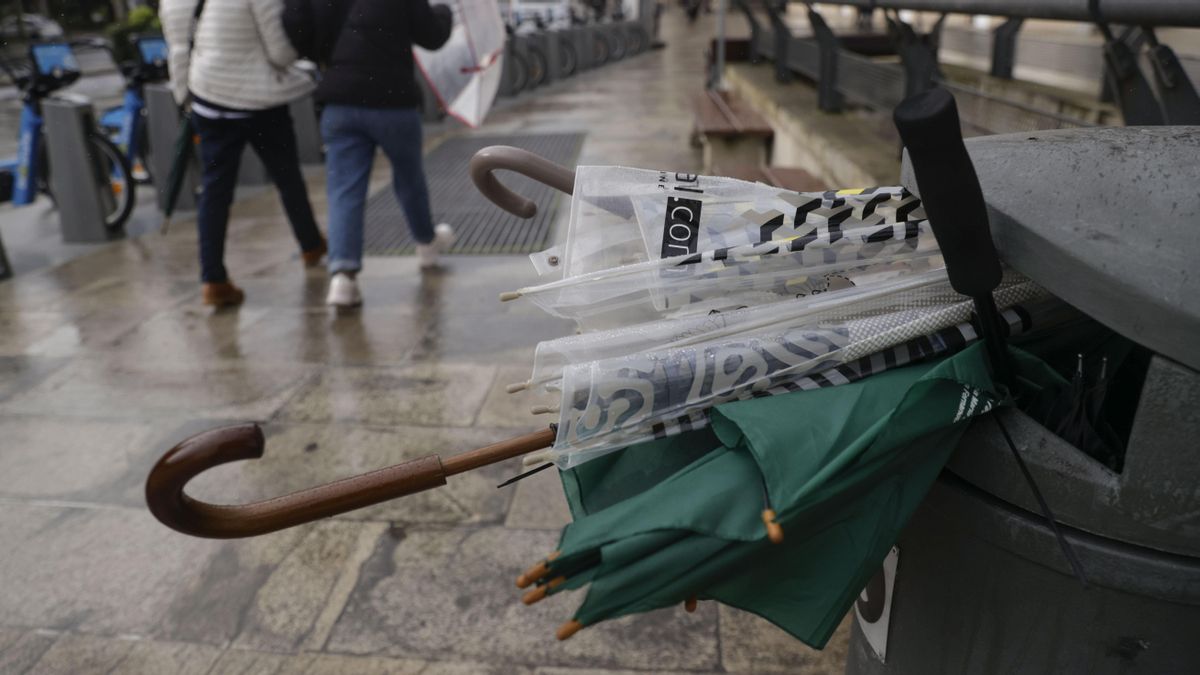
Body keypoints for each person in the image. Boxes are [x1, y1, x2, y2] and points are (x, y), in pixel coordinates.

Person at [284, 0, 455, 308]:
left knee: (344, 189)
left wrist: (325, 52)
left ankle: (343, 277)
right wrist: (444, 12)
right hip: (393, 100)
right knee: (409, 178)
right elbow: (432, 35)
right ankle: (427, 246)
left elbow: (296, 26)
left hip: (340, 100)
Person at [161, 0, 327, 307]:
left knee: (215, 190)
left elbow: (178, 51)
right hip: (260, 104)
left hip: (208, 101)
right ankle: (310, 244)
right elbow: (280, 53)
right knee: (287, 177)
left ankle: (213, 279)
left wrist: (186, 99)